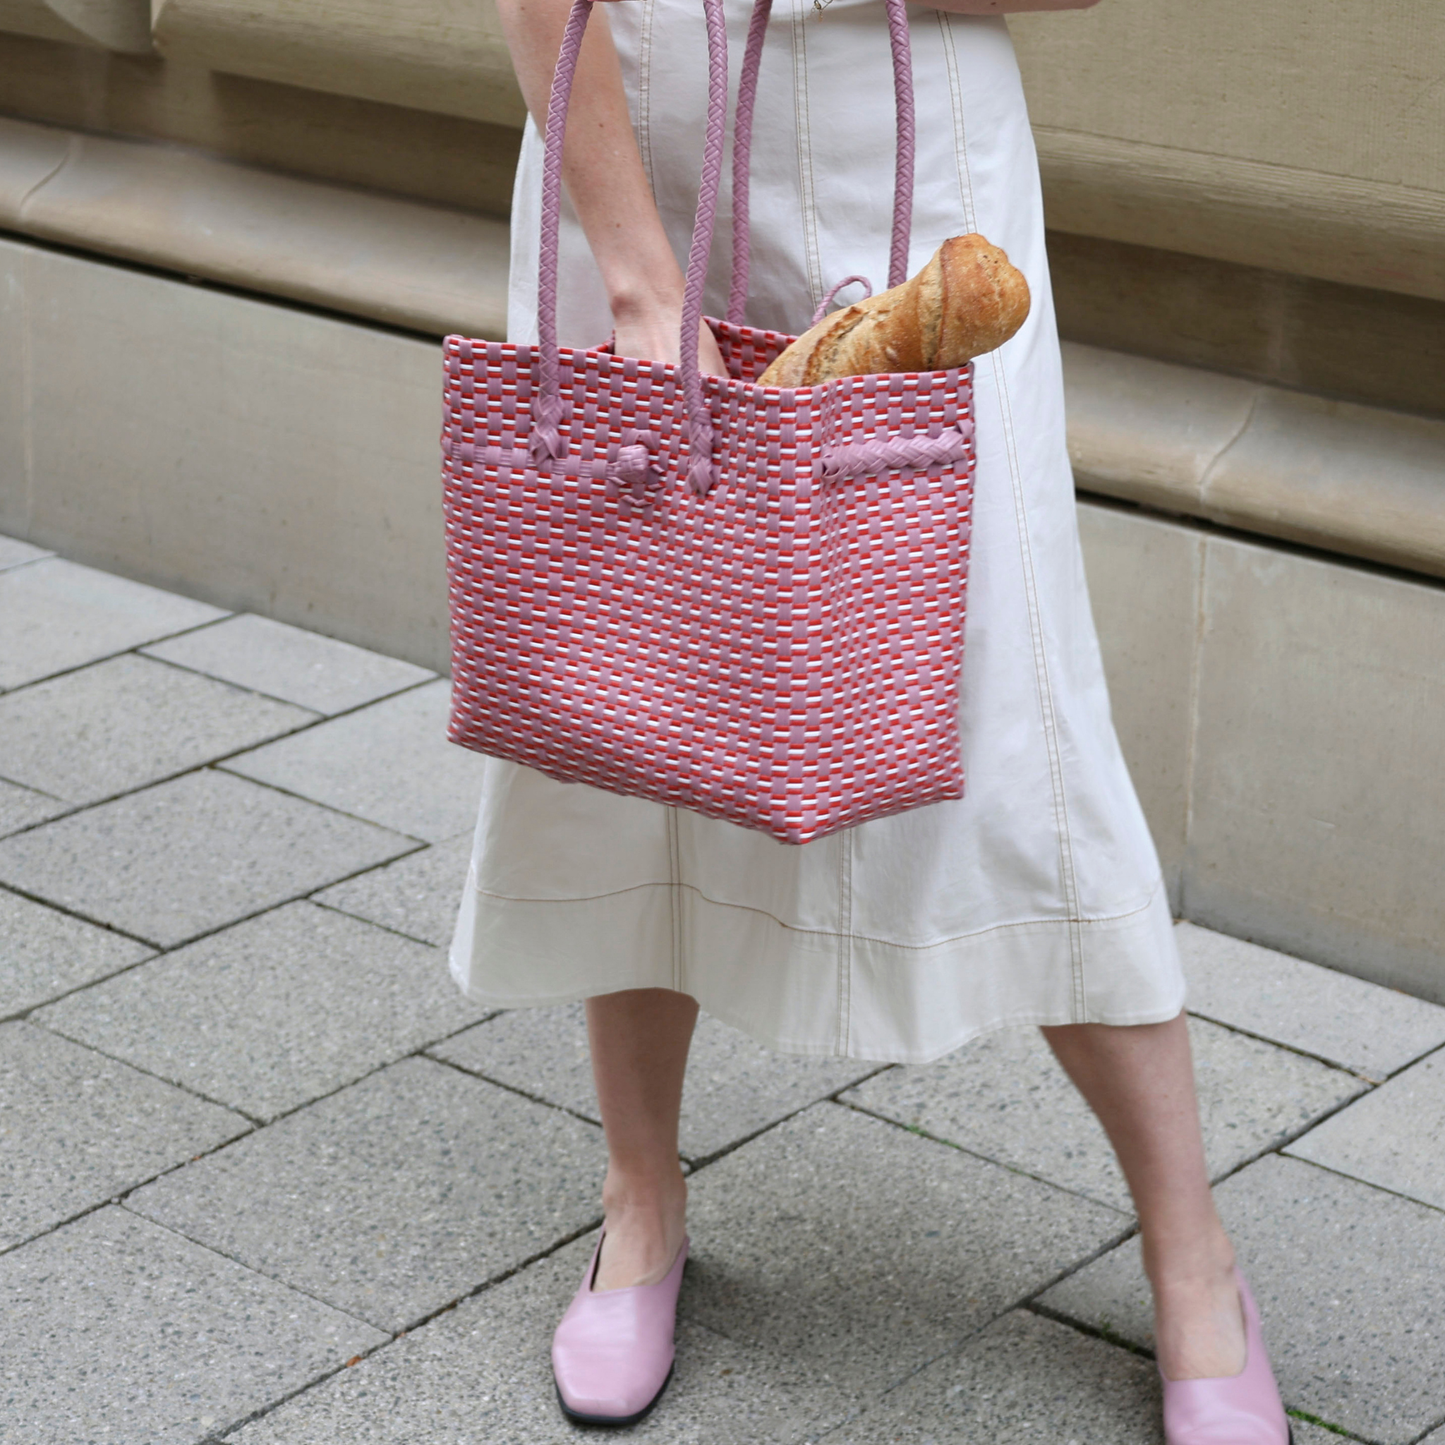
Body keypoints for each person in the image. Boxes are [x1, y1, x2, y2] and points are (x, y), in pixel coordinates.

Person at [450, 0, 1292, 1438]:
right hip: (631, 137)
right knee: (646, 691)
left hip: (915, 155)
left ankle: (1192, 1259)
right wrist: (641, 283)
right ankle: (639, 1202)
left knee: (1017, 723)